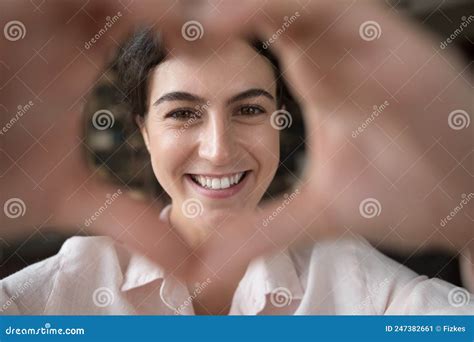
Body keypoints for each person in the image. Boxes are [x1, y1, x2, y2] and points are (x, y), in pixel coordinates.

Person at [1, 0, 472, 313]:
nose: (218, 148)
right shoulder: (53, 297)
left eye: (249, 109)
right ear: (144, 131)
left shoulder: (361, 288)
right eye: (183, 113)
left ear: (280, 121)